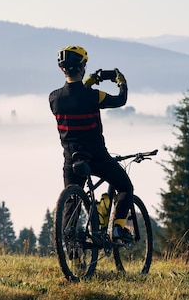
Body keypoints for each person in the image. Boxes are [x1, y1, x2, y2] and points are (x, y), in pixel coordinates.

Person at [49, 45, 133, 242]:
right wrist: (122, 83)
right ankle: (119, 229)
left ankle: (70, 247)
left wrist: (88, 82)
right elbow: (120, 100)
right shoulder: (95, 96)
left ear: (62, 69)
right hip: (96, 156)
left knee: (72, 201)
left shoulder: (54, 98)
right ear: (83, 66)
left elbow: (75, 97)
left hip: (71, 159)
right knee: (125, 188)